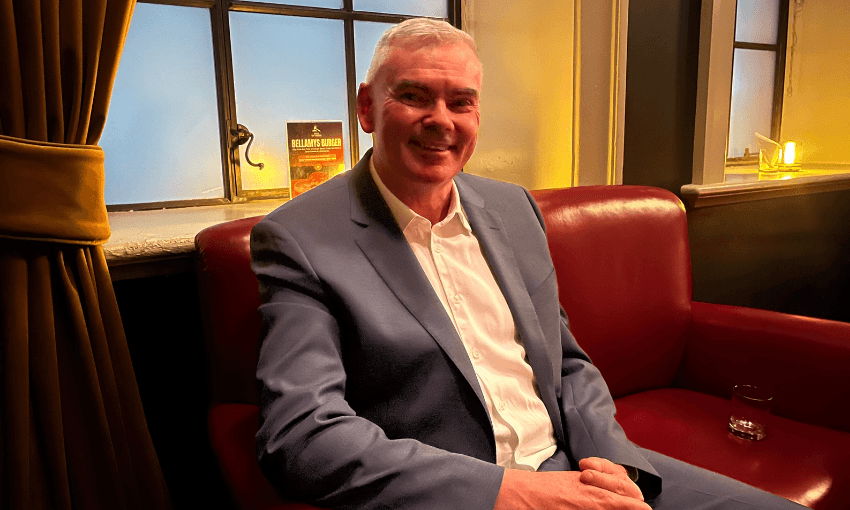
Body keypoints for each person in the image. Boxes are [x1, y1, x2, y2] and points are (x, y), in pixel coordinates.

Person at [251, 18, 805, 510]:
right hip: (460, 493)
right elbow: (302, 434)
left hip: (580, 469)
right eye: (414, 96)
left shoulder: (513, 209)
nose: (440, 120)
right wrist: (509, 492)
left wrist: (612, 464)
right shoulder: (301, 238)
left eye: (461, 102)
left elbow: (565, 361)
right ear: (367, 107)